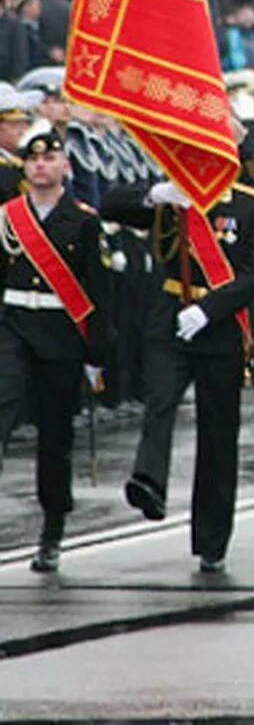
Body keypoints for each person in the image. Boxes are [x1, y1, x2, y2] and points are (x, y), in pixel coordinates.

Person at [102, 132, 254, 573]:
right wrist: (157, 193)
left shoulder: (248, 204)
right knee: (160, 400)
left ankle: (212, 539)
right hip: (170, 315)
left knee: (218, 433)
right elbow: (110, 204)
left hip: (219, 327)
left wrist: (210, 310)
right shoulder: (172, 196)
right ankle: (149, 482)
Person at [0, 125, 107, 572]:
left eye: (49, 158)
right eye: (33, 158)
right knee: (3, 404)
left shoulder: (83, 220)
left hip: (61, 334)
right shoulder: (8, 217)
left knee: (55, 436)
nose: (41, 165)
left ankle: (52, 529)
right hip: (12, 327)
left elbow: (98, 290)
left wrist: (97, 356)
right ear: (25, 167)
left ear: (65, 165)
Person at [0, 83, 42, 202]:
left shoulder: (19, 159)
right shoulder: (9, 165)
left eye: (25, 124)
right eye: (14, 125)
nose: (22, 131)